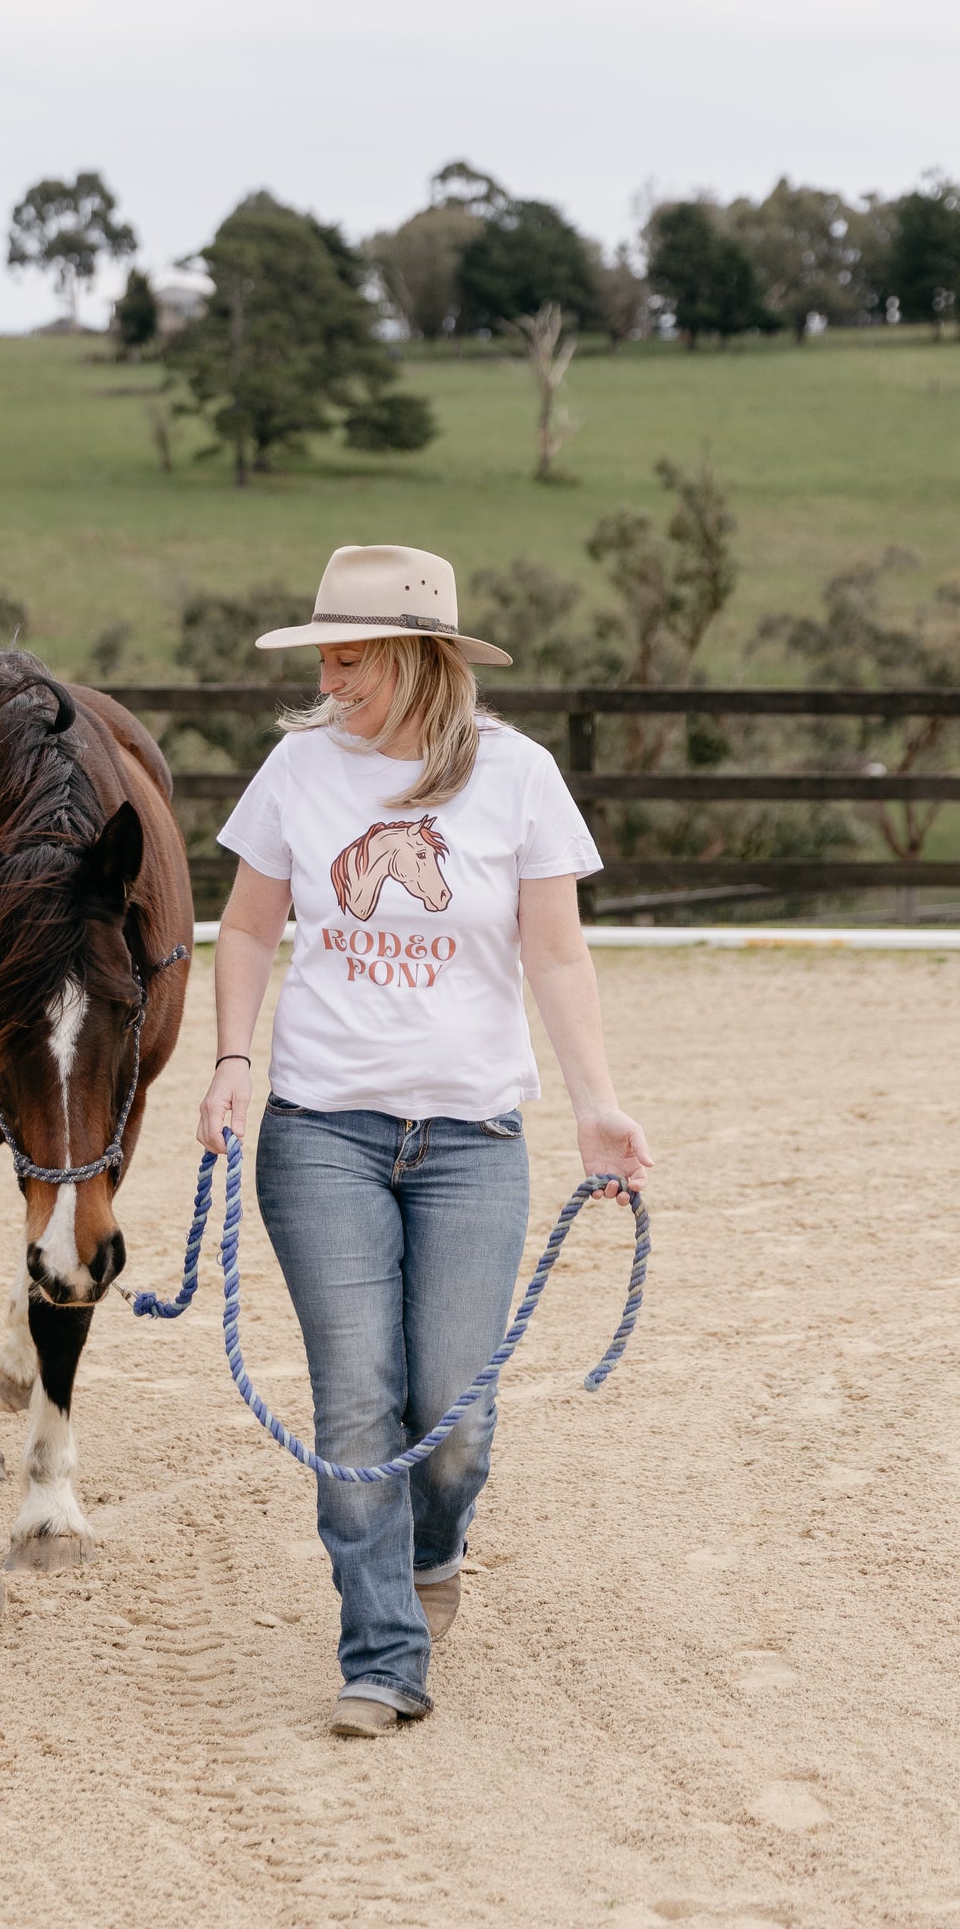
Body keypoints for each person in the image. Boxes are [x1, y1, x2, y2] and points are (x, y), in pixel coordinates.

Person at [197, 542, 653, 1738]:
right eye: (324, 657)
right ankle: (382, 1651)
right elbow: (244, 930)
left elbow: (555, 952)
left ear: (416, 656)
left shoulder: (517, 776)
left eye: (350, 658)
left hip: (469, 1139)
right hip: (319, 1130)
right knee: (358, 1402)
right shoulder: (298, 770)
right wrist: (232, 1062)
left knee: (452, 1408)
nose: (330, 678)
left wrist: (594, 1100)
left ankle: (432, 1545)